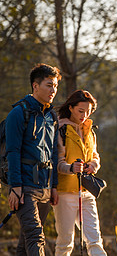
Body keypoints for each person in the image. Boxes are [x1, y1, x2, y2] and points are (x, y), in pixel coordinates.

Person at [6, 63, 61, 255]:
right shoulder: (19, 113)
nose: (53, 90)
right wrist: (15, 186)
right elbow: (12, 152)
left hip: (45, 188)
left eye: (55, 85)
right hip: (25, 187)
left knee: (25, 242)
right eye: (49, 85)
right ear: (35, 86)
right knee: (35, 236)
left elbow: (53, 153)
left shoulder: (52, 115)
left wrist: (54, 186)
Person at [53, 89, 107, 256]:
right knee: (65, 242)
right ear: (71, 108)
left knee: (95, 239)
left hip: (86, 191)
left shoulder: (89, 130)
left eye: (88, 111)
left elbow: (95, 156)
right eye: (80, 111)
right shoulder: (60, 129)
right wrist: (70, 168)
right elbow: (57, 163)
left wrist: (93, 165)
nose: (84, 115)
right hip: (65, 193)